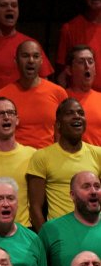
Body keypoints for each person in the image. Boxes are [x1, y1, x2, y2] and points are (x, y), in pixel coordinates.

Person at [27, 97, 101, 228]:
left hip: (94, 230)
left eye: (80, 113)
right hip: (59, 232)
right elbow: (35, 207)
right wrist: (47, 236)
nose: (77, 116)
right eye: (69, 113)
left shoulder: (98, 154)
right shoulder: (42, 156)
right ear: (58, 125)